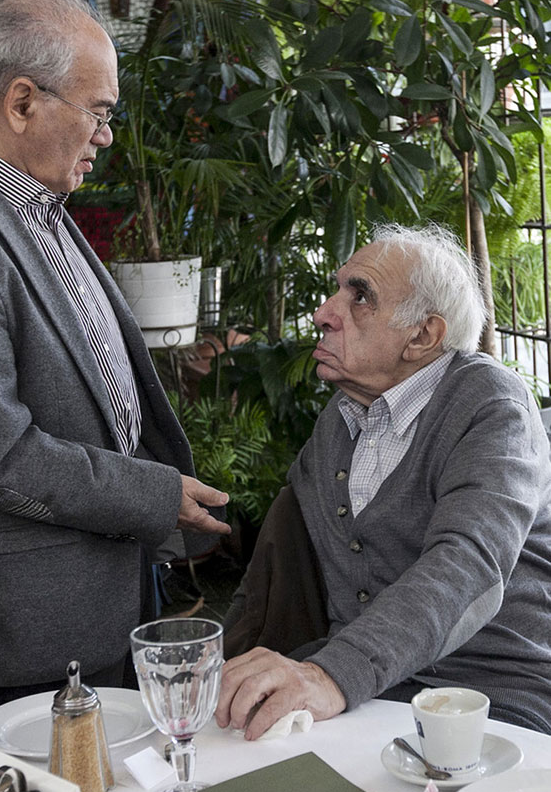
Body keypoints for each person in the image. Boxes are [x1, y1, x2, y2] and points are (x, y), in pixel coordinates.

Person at [0, 0, 230, 714]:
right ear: (21, 103)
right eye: (98, 112)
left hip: (105, 588)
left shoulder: (32, 202)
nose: (106, 136)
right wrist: (153, 495)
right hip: (38, 623)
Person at [217, 223, 551, 740]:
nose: (324, 313)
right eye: (337, 290)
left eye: (360, 297)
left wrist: (332, 674)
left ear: (422, 336)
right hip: (369, 693)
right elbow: (271, 563)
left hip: (491, 693)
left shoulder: (490, 404)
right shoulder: (339, 422)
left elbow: (468, 562)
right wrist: (215, 659)